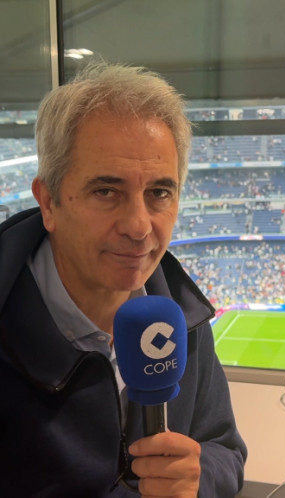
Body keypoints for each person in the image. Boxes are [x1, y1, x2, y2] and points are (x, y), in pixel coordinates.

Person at [0, 62, 247, 497]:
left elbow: (225, 449)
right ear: (49, 203)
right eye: (106, 191)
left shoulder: (182, 318)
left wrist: (198, 478)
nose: (138, 226)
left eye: (159, 193)